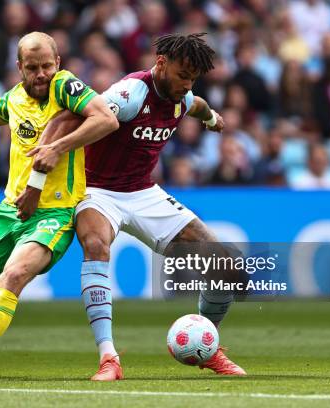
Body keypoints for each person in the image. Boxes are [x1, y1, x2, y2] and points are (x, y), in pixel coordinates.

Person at [24, 33, 247, 380]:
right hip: (95, 190)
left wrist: (211, 119)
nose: (186, 84)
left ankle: (206, 344)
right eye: (182, 75)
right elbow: (70, 117)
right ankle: (108, 359)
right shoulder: (131, 93)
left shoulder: (182, 97)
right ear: (161, 64)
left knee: (226, 266)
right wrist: (52, 152)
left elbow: (198, 104)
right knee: (96, 245)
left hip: (143, 192)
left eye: (192, 78)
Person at [0, 31, 118, 382]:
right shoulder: (14, 98)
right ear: (19, 68)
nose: (41, 74)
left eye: (46, 66)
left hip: (54, 214)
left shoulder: (66, 87)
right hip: (10, 210)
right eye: (32, 68)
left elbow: (105, 119)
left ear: (57, 64)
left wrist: (58, 147)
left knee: (12, 276)